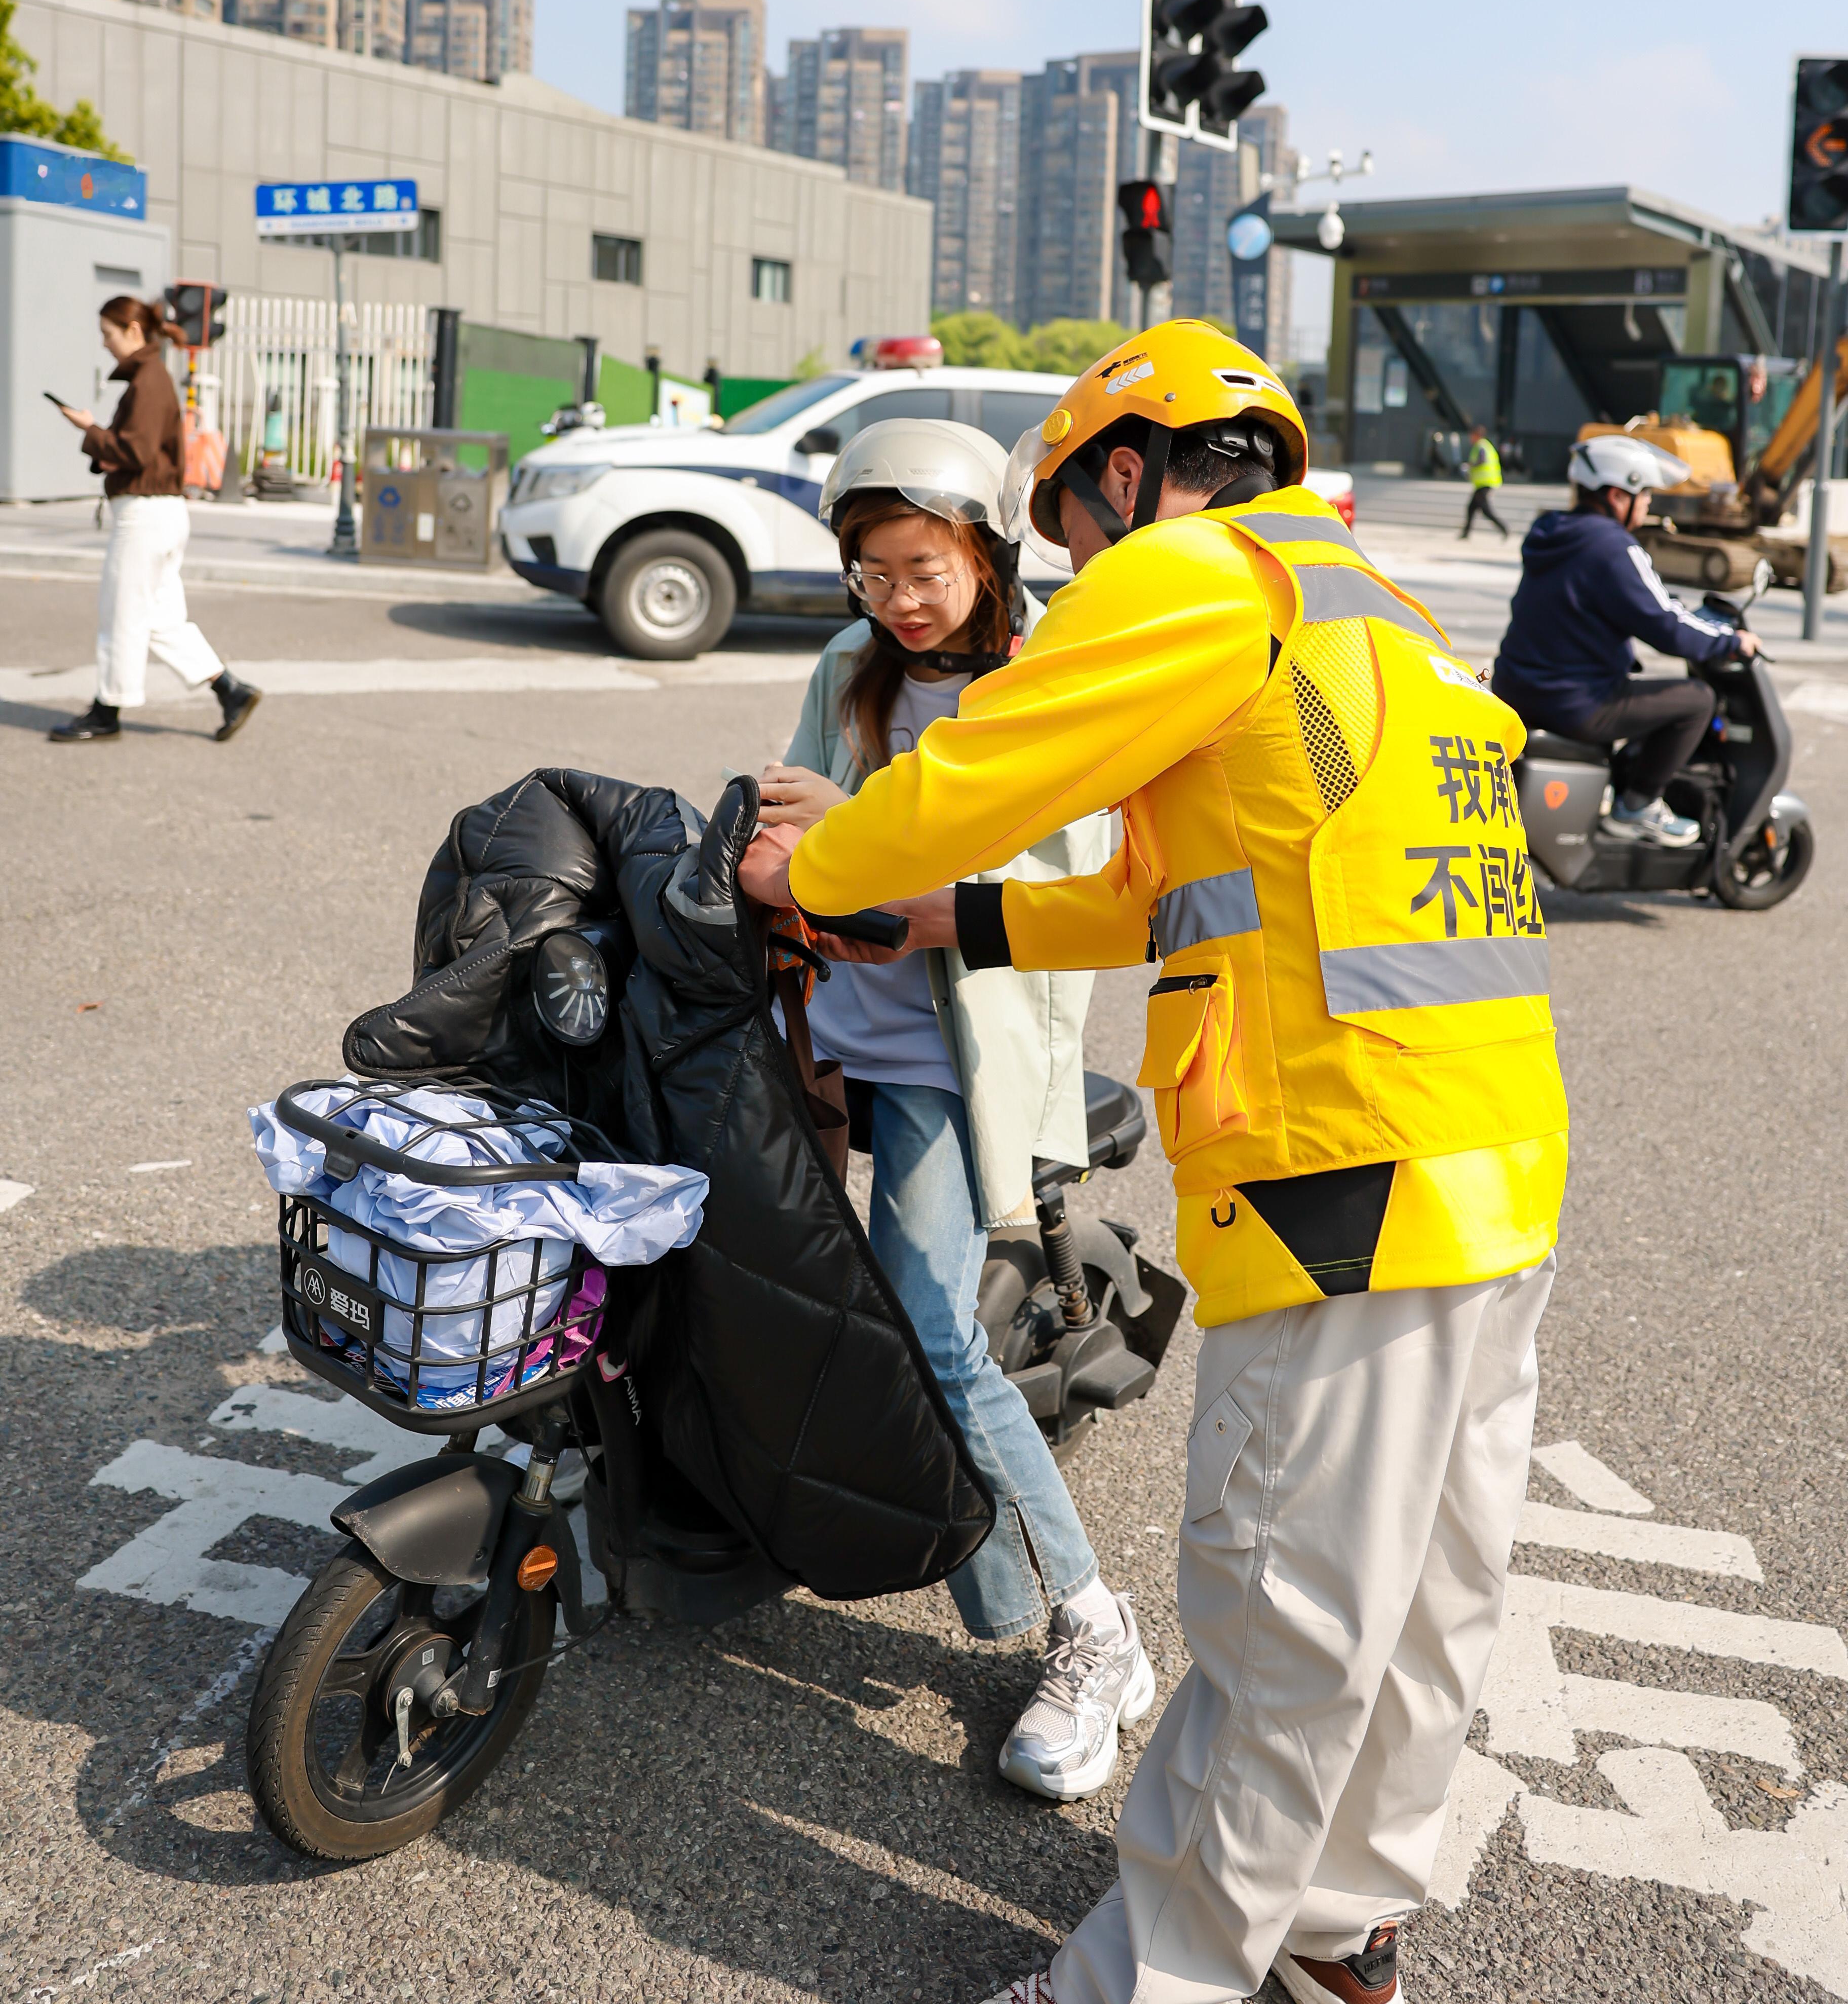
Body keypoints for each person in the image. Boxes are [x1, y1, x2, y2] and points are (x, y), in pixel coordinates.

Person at [741, 320, 1567, 2004]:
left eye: (1070, 532)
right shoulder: (1374, 607)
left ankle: (1150, 1980)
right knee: (1418, 1594)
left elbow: (979, 767)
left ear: (1122, 474)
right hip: (1494, 1159)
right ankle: (1341, 1923)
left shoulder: (1195, 572)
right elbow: (1172, 884)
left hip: (1340, 1170)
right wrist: (952, 922)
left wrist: (812, 869)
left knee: (1278, 1614)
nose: (1076, 570)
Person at [757, 416, 1153, 1800]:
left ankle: (1091, 1625)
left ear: (986, 551)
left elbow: (1071, 871)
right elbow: (786, 835)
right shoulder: (843, 669)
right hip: (822, 1028)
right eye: (871, 574)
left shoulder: (1047, 678)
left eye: (922, 567)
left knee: (929, 1329)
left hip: (951, 1055)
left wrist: (861, 842)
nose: (898, 598)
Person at [1492, 433, 1754, 849]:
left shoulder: (1551, 533)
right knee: (1698, 700)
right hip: (1574, 703)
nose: (1649, 503)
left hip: (1516, 689)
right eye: (1644, 493)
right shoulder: (1614, 547)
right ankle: (1637, 809)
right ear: (1618, 496)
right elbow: (1667, 626)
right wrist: (1730, 640)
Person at [47, 295, 262, 746]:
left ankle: (108, 711)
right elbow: (141, 450)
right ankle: (231, 691)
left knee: (121, 615)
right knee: (162, 619)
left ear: (134, 332)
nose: (105, 344)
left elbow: (136, 451)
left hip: (144, 516)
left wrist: (89, 429)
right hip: (161, 513)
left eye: (109, 334)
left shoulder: (148, 379)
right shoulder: (153, 378)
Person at [1459, 424, 1508, 540]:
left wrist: (1469, 466)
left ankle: (1504, 529)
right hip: (1484, 483)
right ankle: (1466, 533)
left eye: (1472, 435)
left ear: (1477, 435)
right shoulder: (1485, 445)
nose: (1471, 438)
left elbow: (1482, 460)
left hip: (1486, 482)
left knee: (1486, 510)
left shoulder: (1481, 446)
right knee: (1472, 508)